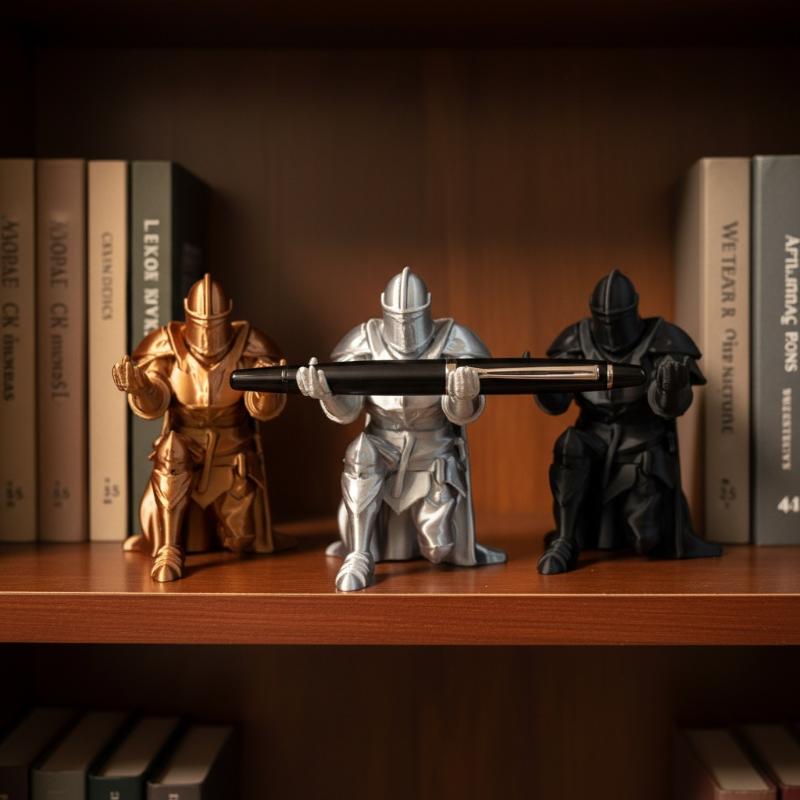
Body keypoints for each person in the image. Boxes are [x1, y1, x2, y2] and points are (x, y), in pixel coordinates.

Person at [297, 267, 506, 591]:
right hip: (382, 444)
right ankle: (359, 554)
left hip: (434, 451)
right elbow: (349, 409)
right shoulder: (364, 340)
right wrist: (327, 394)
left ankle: (433, 534)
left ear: (428, 307)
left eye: (413, 317)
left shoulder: (453, 339)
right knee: (360, 452)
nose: (406, 327)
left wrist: (462, 395)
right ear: (384, 306)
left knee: (438, 551)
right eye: (399, 318)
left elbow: (462, 414)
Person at [535, 269, 721, 574]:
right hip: (592, 438)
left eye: (617, 319)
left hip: (642, 444)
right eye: (604, 319)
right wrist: (543, 385)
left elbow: (671, 407)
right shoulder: (576, 341)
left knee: (647, 540)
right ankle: (565, 540)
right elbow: (556, 404)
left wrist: (670, 389)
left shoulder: (663, 339)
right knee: (569, 444)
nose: (610, 327)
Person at [112, 274, 288, 581]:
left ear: (228, 314)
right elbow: (155, 401)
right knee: (171, 450)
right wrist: (142, 387)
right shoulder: (166, 345)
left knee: (240, 541)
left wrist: (267, 387)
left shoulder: (251, 346)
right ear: (187, 313)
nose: (207, 333)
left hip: (232, 454)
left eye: (215, 323)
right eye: (201, 322)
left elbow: (261, 410)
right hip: (185, 452)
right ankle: (168, 549)